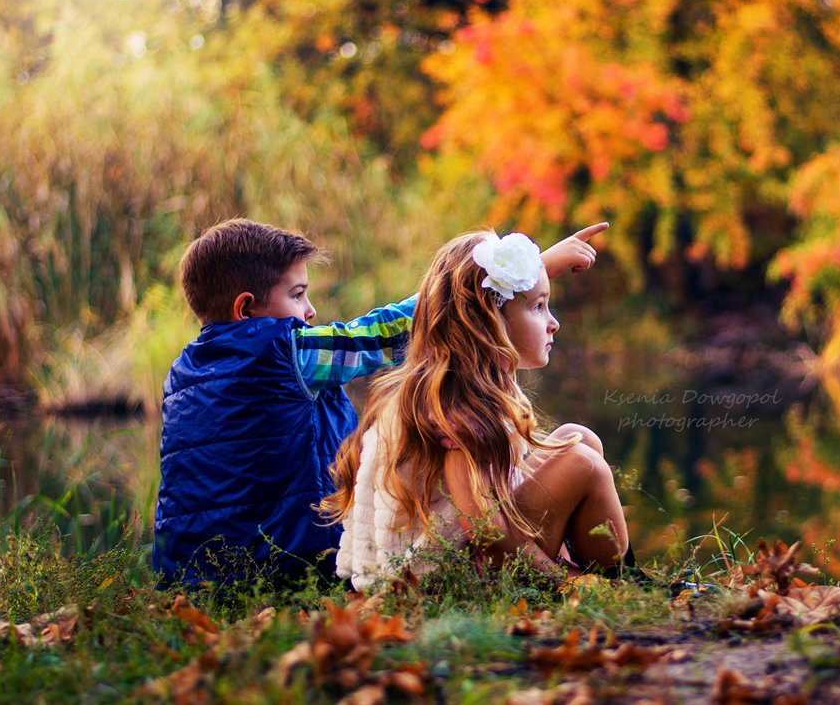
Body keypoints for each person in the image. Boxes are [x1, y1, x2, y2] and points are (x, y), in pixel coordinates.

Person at [154, 218, 603, 587]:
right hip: (282, 568)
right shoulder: (280, 354)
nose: (310, 311)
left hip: (189, 576)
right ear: (245, 309)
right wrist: (519, 275)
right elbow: (391, 330)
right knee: (579, 456)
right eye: (297, 295)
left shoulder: (182, 374)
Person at [319, 229, 630, 590]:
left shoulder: (453, 384)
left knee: (577, 440)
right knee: (582, 463)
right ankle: (616, 583)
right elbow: (484, 529)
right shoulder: (459, 407)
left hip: (458, 560)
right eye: (537, 307)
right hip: (441, 580)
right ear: (489, 323)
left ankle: (605, 577)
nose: (553, 322)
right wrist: (563, 580)